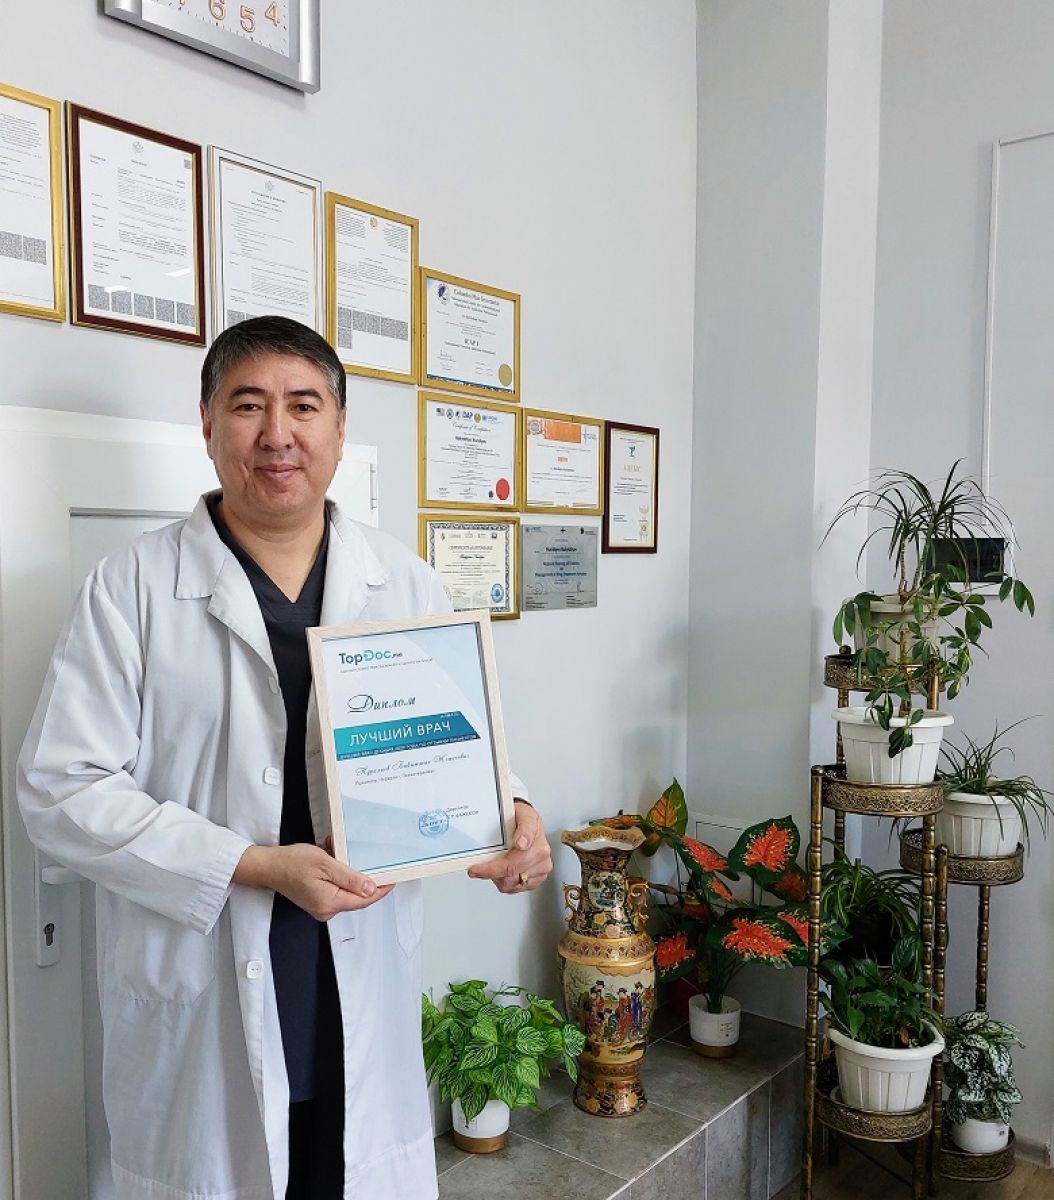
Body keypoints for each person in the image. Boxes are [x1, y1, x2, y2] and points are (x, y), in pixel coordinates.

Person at [16, 316, 552, 1200]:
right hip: (207, 974)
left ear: (338, 429)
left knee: (340, 1163)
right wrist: (253, 864)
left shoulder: (403, 581)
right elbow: (60, 790)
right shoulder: (130, 588)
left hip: (354, 965)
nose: (277, 434)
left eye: (304, 406)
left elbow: (455, 742)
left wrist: (514, 813)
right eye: (248, 406)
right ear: (207, 425)